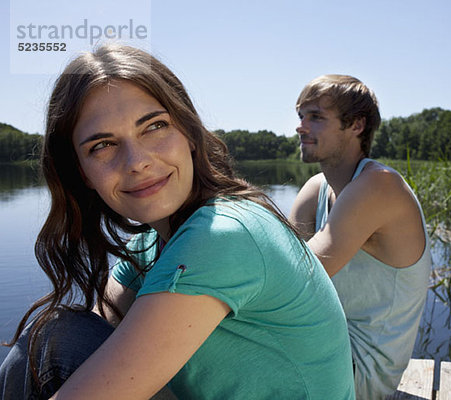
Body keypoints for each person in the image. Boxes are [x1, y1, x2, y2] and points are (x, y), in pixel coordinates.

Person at [0, 45, 355, 400]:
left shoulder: (223, 234)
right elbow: (94, 332)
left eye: (154, 126)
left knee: (52, 339)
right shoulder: (154, 242)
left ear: (189, 133)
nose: (137, 161)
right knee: (55, 334)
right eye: (102, 145)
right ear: (83, 174)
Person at [289, 75, 432, 400]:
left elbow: (292, 278)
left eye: (316, 117)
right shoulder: (317, 188)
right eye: (301, 116)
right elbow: (278, 256)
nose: (300, 127)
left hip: (359, 374)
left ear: (356, 125)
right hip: (319, 344)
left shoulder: (379, 186)